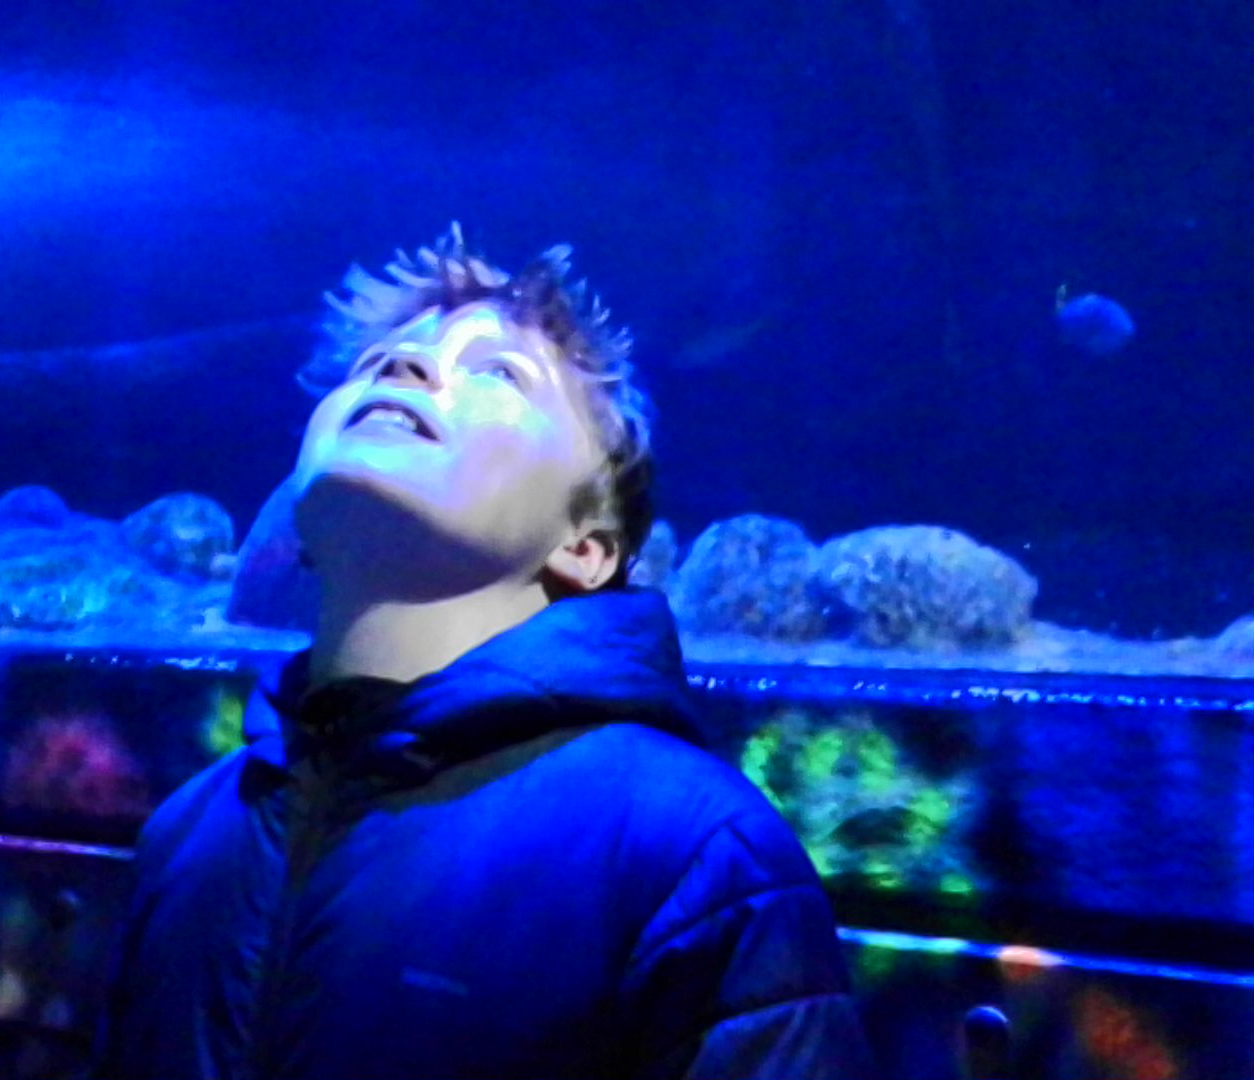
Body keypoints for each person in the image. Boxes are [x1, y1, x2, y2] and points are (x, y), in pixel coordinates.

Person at [92, 225, 874, 1079]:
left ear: (587, 545)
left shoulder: (697, 857)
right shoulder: (187, 833)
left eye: (499, 372)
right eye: (379, 361)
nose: (408, 369)